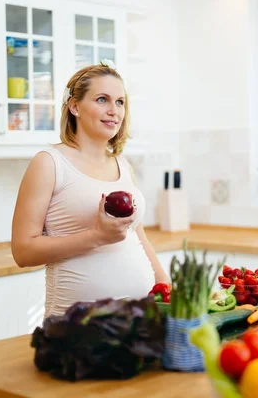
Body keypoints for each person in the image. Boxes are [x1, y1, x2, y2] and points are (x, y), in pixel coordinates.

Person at [11, 60, 169, 317]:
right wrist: (96, 237)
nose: (114, 111)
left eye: (120, 102)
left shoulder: (122, 165)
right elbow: (22, 251)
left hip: (139, 320)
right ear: (74, 106)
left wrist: (165, 286)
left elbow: (137, 236)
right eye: (102, 99)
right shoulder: (49, 163)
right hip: (76, 326)